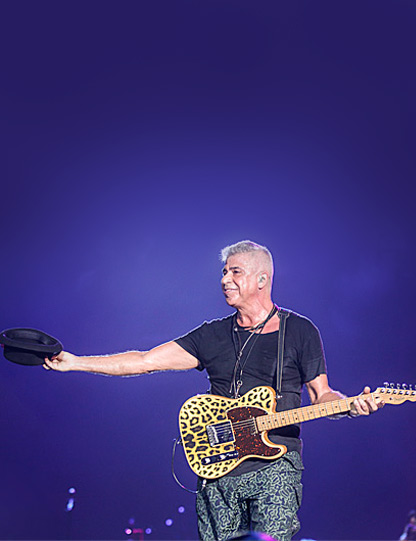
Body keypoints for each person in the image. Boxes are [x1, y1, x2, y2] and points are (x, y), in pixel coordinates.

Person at [43, 240, 383, 541]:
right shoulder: (212, 335)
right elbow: (145, 360)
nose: (224, 280)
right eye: (223, 272)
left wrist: (350, 405)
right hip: (217, 466)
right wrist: (76, 362)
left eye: (235, 272)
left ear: (262, 279)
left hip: (276, 464)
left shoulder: (300, 331)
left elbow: (322, 395)